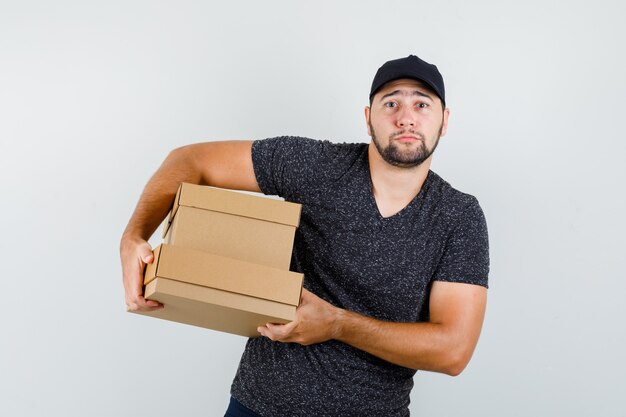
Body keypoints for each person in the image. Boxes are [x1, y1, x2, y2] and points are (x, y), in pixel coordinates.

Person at [121, 54, 489, 416]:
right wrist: (133, 237)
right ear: (368, 118)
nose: (406, 117)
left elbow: (453, 350)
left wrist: (337, 325)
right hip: (259, 406)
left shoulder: (459, 216)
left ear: (444, 121)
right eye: (390, 102)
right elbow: (190, 160)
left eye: (422, 105)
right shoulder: (317, 166)